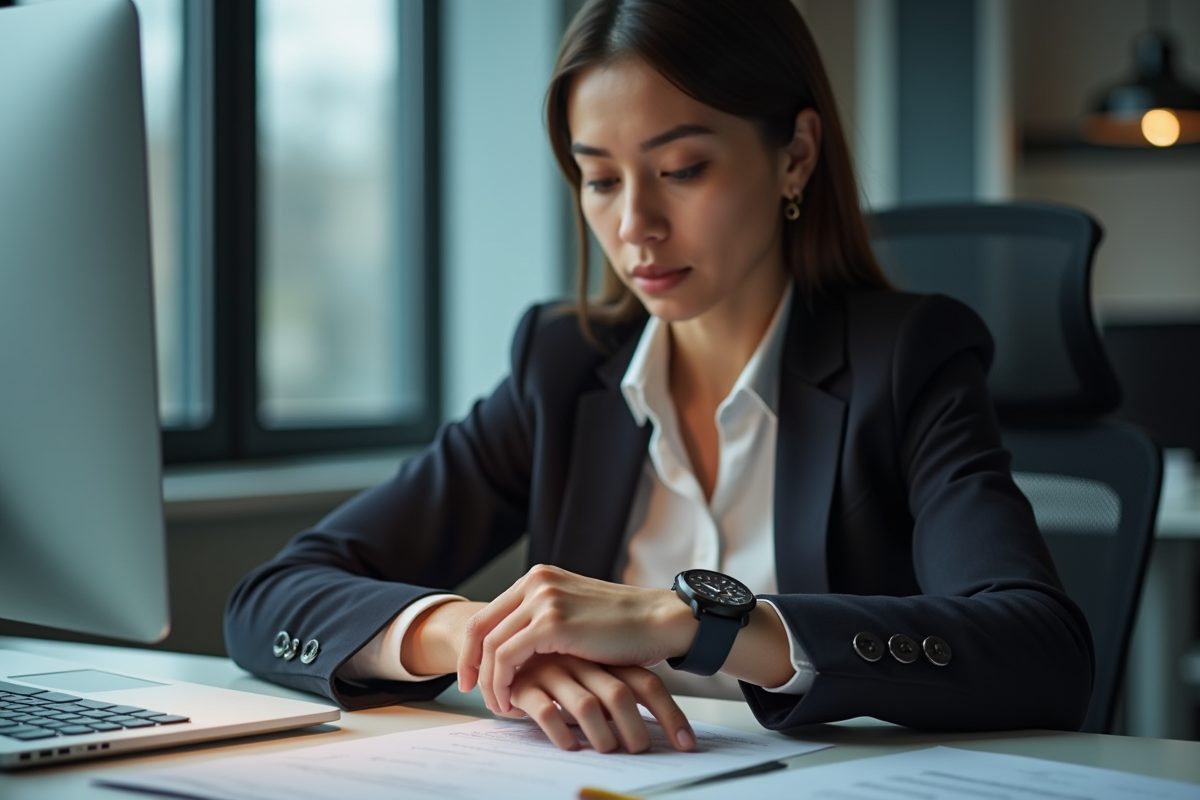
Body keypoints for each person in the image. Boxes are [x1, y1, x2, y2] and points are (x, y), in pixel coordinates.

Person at [225, 0, 1093, 754]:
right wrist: (482, 636)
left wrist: (701, 623)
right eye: (599, 179)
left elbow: (1041, 650)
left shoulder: (909, 359)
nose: (635, 224)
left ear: (794, 156)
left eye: (681, 170)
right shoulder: (562, 368)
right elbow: (271, 598)